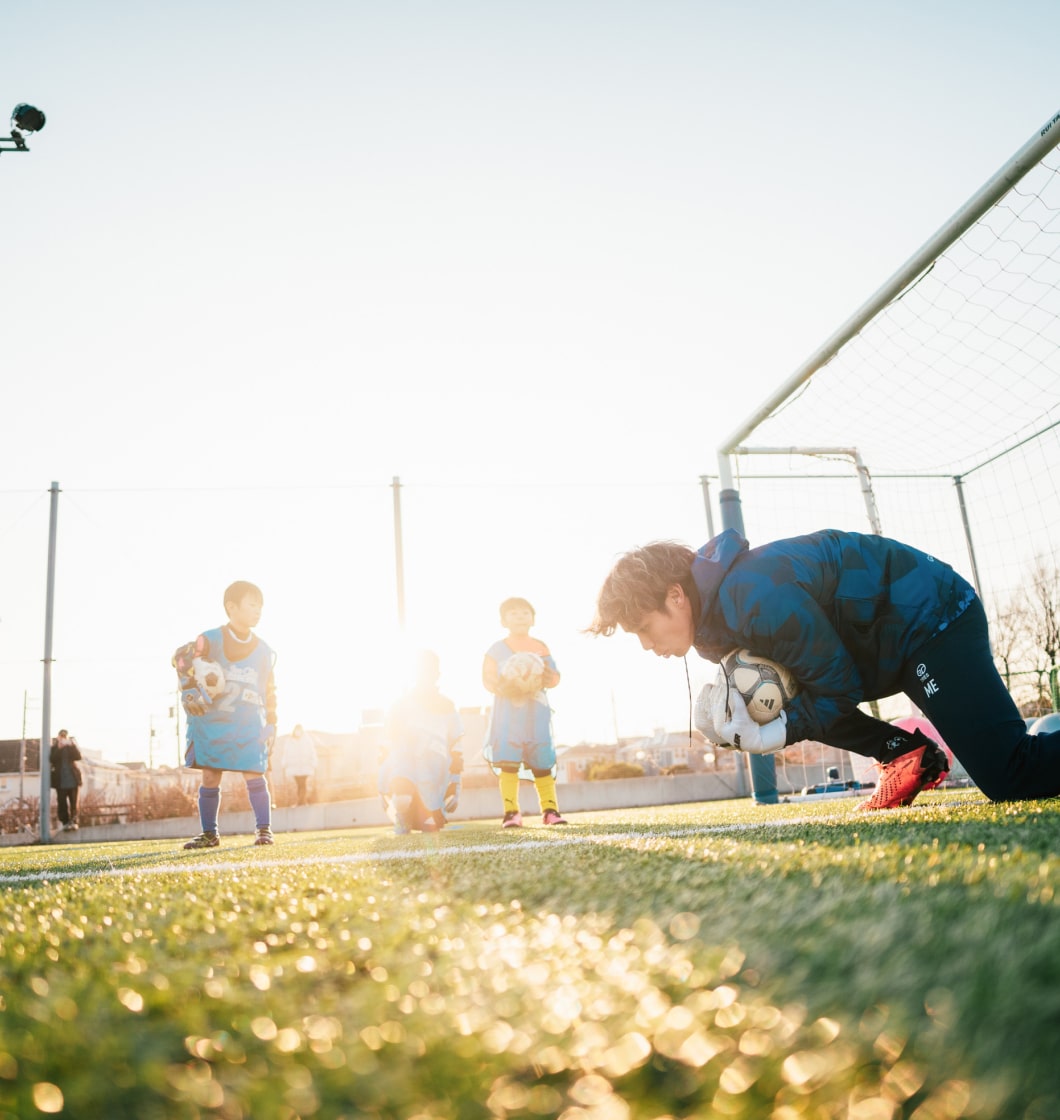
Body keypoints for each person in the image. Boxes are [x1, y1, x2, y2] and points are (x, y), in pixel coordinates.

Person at [588, 527, 1060, 810]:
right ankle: (903, 754)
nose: (649, 647)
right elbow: (813, 687)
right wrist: (770, 718)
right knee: (788, 698)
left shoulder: (752, 596)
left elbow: (837, 685)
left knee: (1009, 774)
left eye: (645, 629)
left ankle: (906, 753)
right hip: (889, 645)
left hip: (932, 619)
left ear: (675, 595)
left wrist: (778, 732)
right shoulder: (713, 634)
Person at [174, 580, 277, 847]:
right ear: (232, 607)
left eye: (260, 605)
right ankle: (210, 834)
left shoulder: (264, 650)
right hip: (213, 721)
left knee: (255, 772)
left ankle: (264, 830)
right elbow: (181, 658)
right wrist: (187, 687)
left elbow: (270, 688)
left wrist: (273, 721)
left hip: (248, 722)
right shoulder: (209, 639)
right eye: (252, 604)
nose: (258, 610)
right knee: (210, 775)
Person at [483, 597, 568, 827]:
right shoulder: (496, 649)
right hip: (508, 715)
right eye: (513, 613)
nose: (519, 616)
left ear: (533, 619)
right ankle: (511, 813)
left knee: (542, 762)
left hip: (536, 713)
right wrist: (506, 685)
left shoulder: (540, 647)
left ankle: (550, 811)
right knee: (508, 762)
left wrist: (543, 678)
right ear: (503, 621)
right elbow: (488, 680)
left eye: (524, 613)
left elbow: (555, 677)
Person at [378, 650, 464, 834]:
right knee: (402, 799)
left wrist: (456, 777)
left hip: (434, 771)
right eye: (422, 670)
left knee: (430, 827)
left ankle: (424, 815)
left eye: (430, 670)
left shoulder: (447, 706)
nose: (426, 674)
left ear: (437, 674)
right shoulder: (400, 705)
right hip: (404, 765)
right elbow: (387, 739)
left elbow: (455, 741)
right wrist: (382, 778)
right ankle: (402, 818)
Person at [50, 729, 83, 832]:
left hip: (73, 780)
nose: (63, 738)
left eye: (65, 736)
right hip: (60, 782)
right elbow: (52, 759)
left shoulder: (70, 747)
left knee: (74, 803)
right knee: (62, 803)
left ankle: (74, 822)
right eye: (61, 736)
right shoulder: (54, 748)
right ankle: (65, 823)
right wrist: (59, 748)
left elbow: (78, 757)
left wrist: (72, 745)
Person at [281, 724, 318, 806]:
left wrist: (313, 762)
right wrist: (284, 763)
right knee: (299, 784)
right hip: (294, 767)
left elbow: (312, 752)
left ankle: (301, 801)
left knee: (302, 783)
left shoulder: (307, 740)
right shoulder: (289, 741)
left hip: (305, 766)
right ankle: (301, 801)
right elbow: (285, 753)